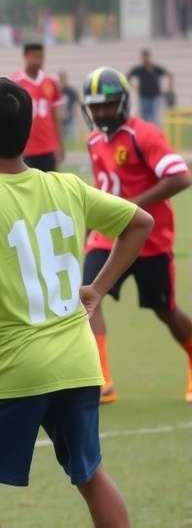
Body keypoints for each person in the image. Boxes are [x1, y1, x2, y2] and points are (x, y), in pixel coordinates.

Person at [0, 77, 152, 528]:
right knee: (89, 474)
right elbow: (138, 222)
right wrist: (97, 288)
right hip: (79, 363)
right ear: (28, 131)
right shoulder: (66, 187)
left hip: (13, 369)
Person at [80, 67, 192, 404]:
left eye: (108, 105)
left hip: (149, 240)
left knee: (165, 309)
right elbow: (103, 188)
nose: (101, 113)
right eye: (95, 106)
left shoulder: (144, 134)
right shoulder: (94, 140)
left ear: (124, 102)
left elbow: (181, 177)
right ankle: (103, 380)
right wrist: (91, 226)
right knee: (87, 296)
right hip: (107, 236)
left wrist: (131, 207)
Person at [11, 43, 65, 172]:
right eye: (34, 57)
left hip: (48, 147)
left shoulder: (51, 82)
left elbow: (56, 117)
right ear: (25, 56)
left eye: (40, 57)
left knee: (48, 188)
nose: (38, 61)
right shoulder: (15, 83)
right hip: (25, 149)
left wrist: (60, 145)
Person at [128, 49, 174, 124]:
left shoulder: (156, 68)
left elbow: (169, 75)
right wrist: (134, 87)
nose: (145, 59)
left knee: (154, 119)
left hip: (155, 96)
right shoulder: (139, 69)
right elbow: (128, 76)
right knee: (143, 118)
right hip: (143, 96)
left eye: (147, 57)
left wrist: (169, 88)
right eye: (144, 57)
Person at [59, 70, 79, 142]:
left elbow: (76, 103)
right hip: (60, 119)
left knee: (70, 138)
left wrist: (73, 114)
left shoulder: (71, 91)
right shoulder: (57, 90)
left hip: (70, 117)